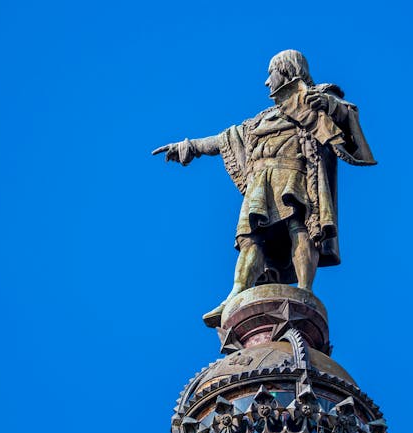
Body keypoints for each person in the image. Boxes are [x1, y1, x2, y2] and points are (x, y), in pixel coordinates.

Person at [153, 50, 376, 327]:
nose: (266, 82)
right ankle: (236, 292)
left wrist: (330, 105)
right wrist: (188, 147)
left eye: (270, 74)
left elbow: (345, 112)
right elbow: (225, 139)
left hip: (294, 173)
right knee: (250, 238)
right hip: (260, 183)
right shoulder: (261, 118)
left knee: (299, 226)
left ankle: (304, 290)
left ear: (285, 70)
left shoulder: (312, 100)